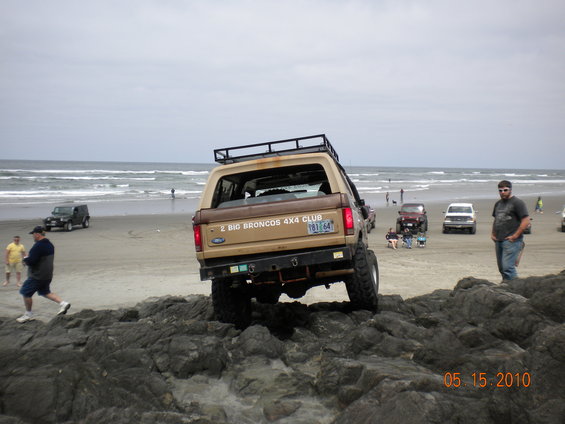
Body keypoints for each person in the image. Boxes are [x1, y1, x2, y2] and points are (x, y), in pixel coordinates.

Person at [16, 226, 71, 323]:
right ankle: (63, 303)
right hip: (47, 275)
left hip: (37, 276)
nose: (33, 236)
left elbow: (32, 261)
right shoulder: (50, 245)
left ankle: (28, 314)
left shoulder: (38, 246)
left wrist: (25, 259)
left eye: (33, 234)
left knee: (25, 292)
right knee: (45, 292)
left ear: (37, 234)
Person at [491, 180, 530, 281]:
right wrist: (493, 234)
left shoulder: (517, 203)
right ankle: (506, 286)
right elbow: (496, 219)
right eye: (500, 190)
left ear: (510, 190)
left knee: (508, 268)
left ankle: (516, 286)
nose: (502, 192)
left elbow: (526, 221)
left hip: (512, 241)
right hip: (499, 240)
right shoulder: (498, 204)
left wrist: (515, 236)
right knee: (502, 268)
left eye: (505, 190)